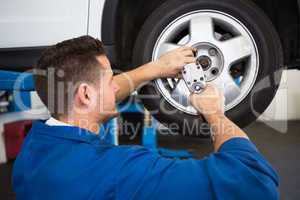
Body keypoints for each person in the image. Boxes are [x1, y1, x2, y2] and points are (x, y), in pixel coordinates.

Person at [12, 36, 279, 200]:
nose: (116, 86)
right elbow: (253, 181)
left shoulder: (32, 153)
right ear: (84, 94)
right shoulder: (120, 172)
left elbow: (89, 100)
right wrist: (213, 112)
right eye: (109, 80)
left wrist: (155, 69)